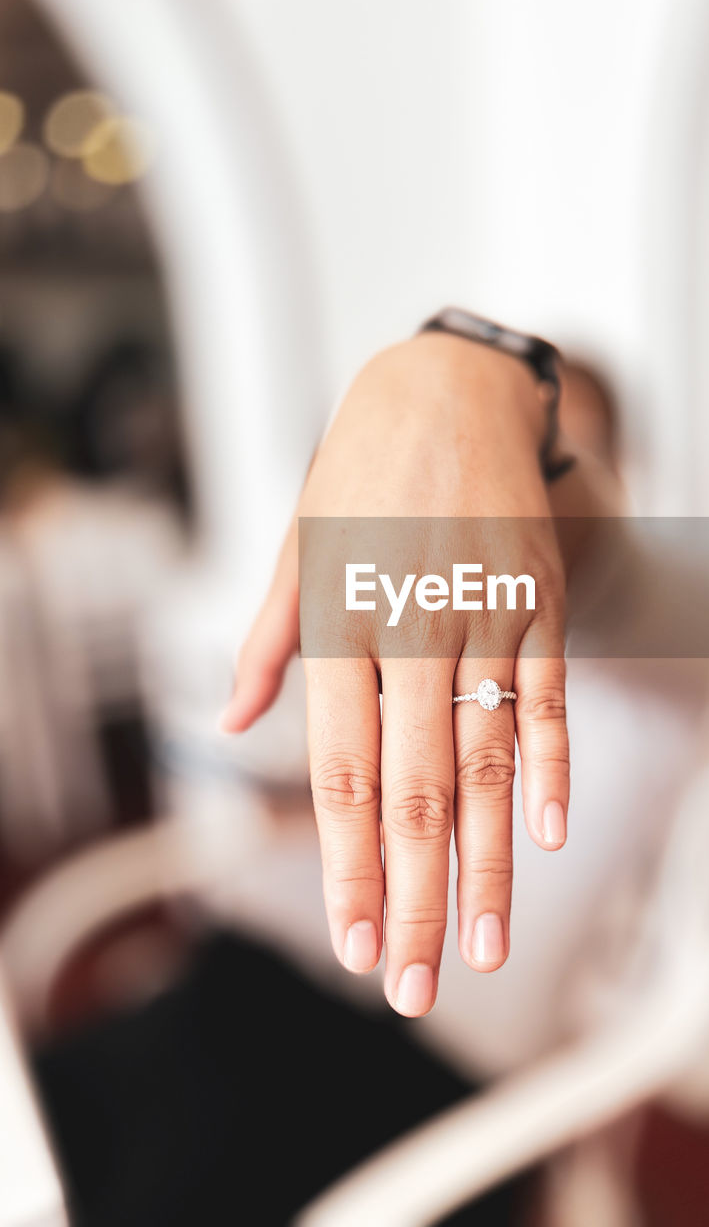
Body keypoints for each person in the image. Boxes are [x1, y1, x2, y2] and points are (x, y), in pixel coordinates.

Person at [219, 313, 623, 1020]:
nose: (500, 488)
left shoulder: (669, 612)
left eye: (546, 458)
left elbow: (596, 535)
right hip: (266, 954)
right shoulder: (403, 603)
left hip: (425, 1042)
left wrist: (461, 382)